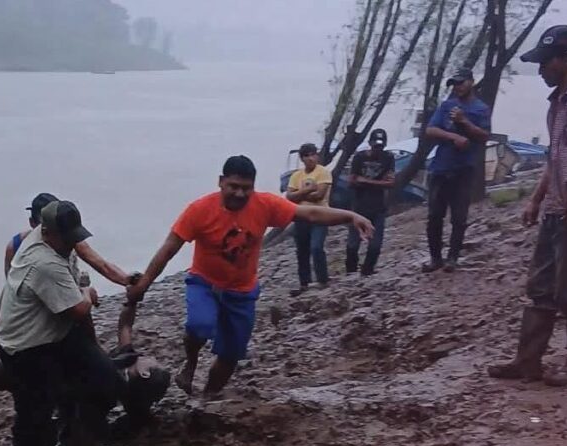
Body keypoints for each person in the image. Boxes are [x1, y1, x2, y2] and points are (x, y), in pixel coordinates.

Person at [126, 155, 374, 397]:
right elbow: (169, 248)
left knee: (231, 355)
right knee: (199, 325)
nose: (240, 194)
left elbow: (310, 214)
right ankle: (190, 364)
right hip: (205, 283)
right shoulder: (199, 209)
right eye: (233, 186)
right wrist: (144, 284)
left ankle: (208, 397)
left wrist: (351, 216)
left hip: (241, 290)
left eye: (246, 188)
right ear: (221, 181)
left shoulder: (264, 204)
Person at [488, 25, 567, 387]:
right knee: (540, 285)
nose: (541, 70)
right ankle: (527, 361)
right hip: (555, 206)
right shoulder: (557, 100)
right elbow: (555, 156)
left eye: (546, 63)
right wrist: (535, 199)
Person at [0, 200, 124, 446]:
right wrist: (87, 292)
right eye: (67, 239)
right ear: (47, 232)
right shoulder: (44, 263)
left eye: (75, 237)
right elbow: (78, 310)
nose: (71, 244)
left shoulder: (52, 239)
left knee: (105, 378)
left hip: (57, 332)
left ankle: (81, 440)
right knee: (34, 411)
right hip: (25, 345)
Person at [0, 192, 132, 329]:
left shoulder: (66, 236)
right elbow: (11, 288)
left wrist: (129, 281)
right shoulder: (16, 246)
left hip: (68, 293)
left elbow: (102, 265)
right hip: (36, 304)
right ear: (33, 224)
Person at [422, 68, 492, 273]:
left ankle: (452, 258)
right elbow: (430, 129)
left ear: (471, 82)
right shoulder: (447, 106)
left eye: (461, 82)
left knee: (459, 217)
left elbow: (484, 136)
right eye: (454, 84)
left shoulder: (480, 109)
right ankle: (435, 258)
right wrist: (453, 136)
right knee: (434, 216)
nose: (458, 87)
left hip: (463, 169)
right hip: (440, 168)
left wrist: (464, 122)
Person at [346, 128, 396, 276]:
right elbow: (352, 180)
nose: (377, 149)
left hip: (378, 207)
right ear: (370, 143)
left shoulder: (388, 158)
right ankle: (351, 272)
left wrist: (366, 181)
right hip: (359, 206)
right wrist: (378, 182)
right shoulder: (359, 157)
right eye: (375, 146)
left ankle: (367, 271)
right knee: (352, 245)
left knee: (375, 245)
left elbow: (391, 183)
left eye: (380, 146)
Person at [287, 143, 335, 293]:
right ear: (302, 158)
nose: (310, 158)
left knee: (316, 247)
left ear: (317, 156)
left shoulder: (323, 172)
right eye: (306, 156)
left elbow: (319, 195)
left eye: (313, 154)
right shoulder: (296, 175)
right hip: (301, 216)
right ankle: (304, 283)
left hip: (320, 215)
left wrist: (299, 194)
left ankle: (322, 279)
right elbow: (289, 196)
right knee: (302, 250)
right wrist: (308, 190)